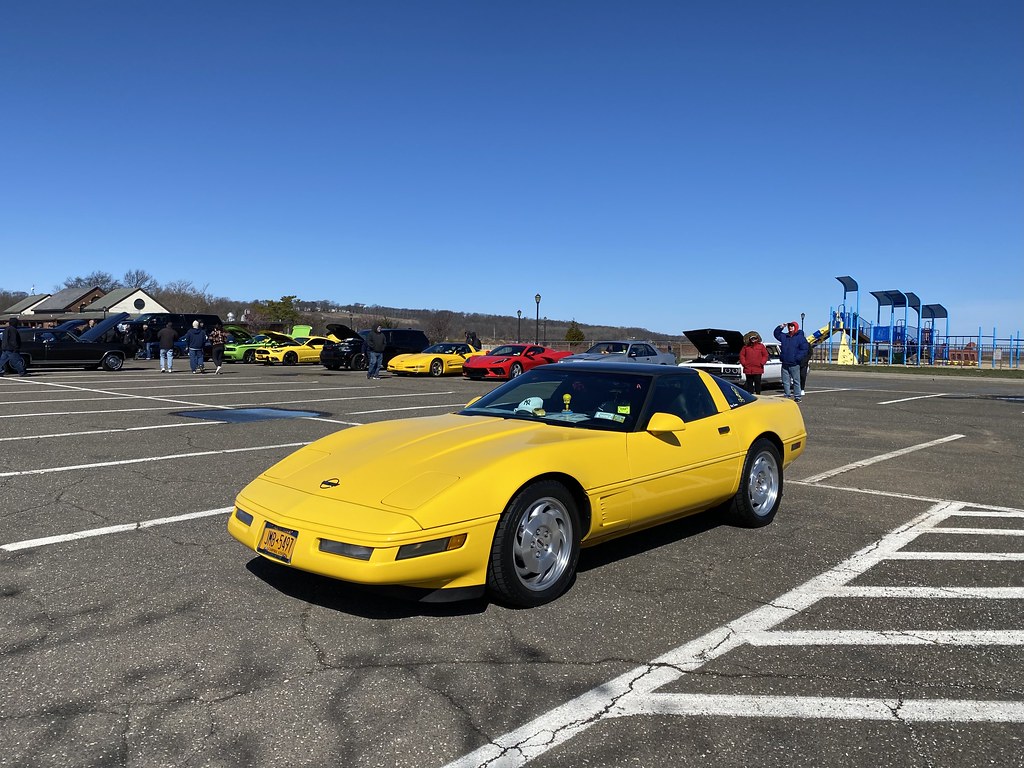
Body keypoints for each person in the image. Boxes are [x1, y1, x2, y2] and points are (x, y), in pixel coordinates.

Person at [774, 321, 809, 402]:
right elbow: (776, 334)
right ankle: (787, 395)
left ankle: (797, 396)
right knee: (785, 381)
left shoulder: (800, 338)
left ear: (795, 327)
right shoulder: (784, 336)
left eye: (792, 326)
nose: (790, 327)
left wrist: (797, 358)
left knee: (796, 380)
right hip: (785, 362)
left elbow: (804, 349)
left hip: (794, 363)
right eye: (789, 326)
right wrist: (781, 327)